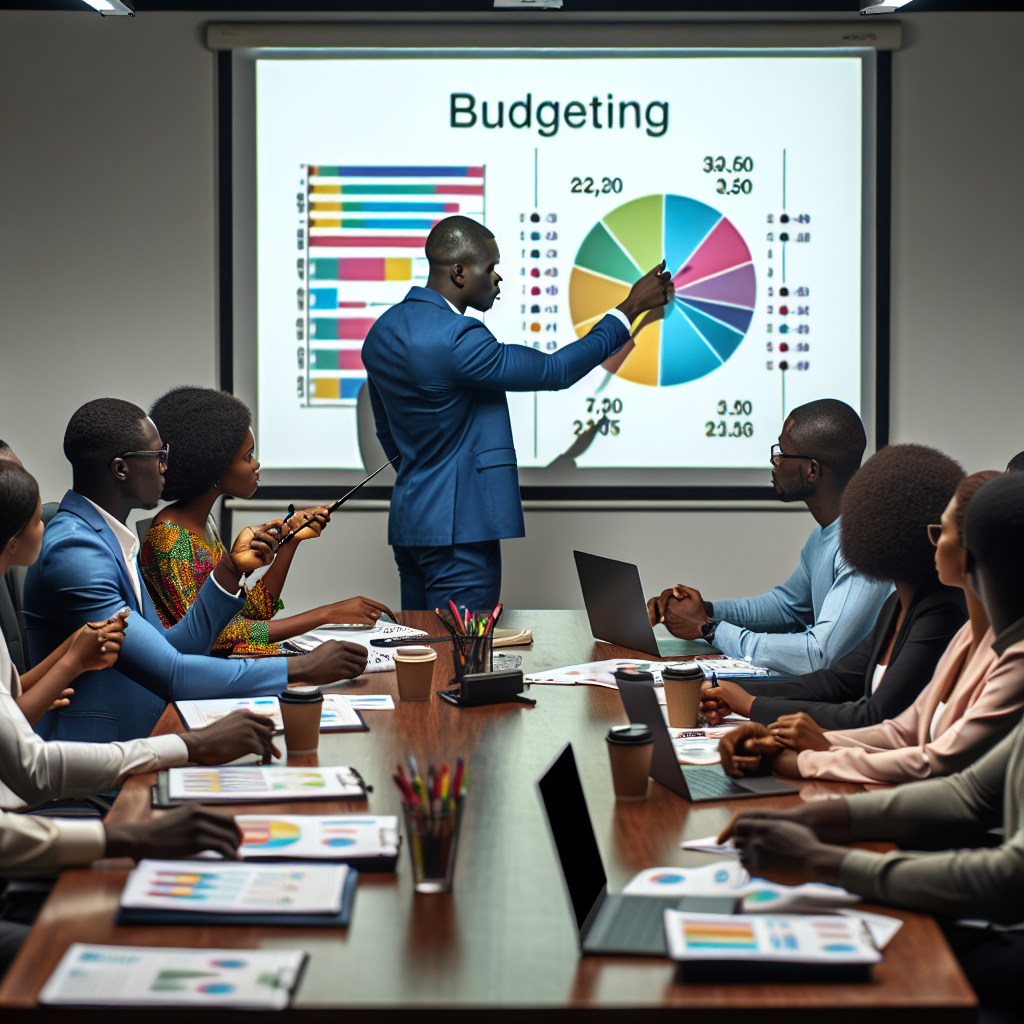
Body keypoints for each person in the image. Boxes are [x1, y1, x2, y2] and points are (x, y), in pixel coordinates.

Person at [721, 473, 1024, 1019]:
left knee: (844, 978)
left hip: (1003, 924)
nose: (936, 541)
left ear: (981, 565)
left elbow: (1004, 871)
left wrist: (823, 857)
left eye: (946, 531)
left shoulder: (1007, 649)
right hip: (977, 886)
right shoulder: (969, 633)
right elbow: (962, 786)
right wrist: (817, 819)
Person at [362, 215, 673, 610]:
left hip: (411, 526)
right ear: (459, 272)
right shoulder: (459, 338)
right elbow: (555, 371)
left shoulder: (381, 333)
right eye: (490, 268)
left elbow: (387, 435)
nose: (497, 279)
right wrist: (630, 308)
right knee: (464, 659)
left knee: (423, 653)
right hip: (463, 533)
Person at [23, 400, 368, 742]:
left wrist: (230, 569)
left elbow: (177, 647)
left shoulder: (109, 538)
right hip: (101, 754)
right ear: (121, 469)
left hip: (149, 732)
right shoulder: (76, 552)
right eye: (158, 457)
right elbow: (173, 672)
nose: (165, 468)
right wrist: (302, 667)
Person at [718, 470, 1023, 785]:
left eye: (940, 531)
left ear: (971, 552)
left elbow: (930, 757)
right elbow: (900, 729)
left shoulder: (948, 615)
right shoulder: (949, 628)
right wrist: (787, 732)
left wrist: (808, 753)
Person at [701, 444, 967, 730]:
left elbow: (874, 715)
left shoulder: (942, 611)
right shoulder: (897, 605)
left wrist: (753, 706)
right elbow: (836, 681)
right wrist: (735, 693)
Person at [142, 386, 396, 656]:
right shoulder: (169, 539)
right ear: (213, 466)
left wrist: (291, 540)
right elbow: (217, 637)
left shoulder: (205, 524)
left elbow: (252, 614)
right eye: (247, 456)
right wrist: (327, 614)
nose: (256, 464)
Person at [648, 399, 893, 675]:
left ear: (811, 470)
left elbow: (819, 655)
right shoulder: (825, 534)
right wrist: (704, 610)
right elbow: (787, 608)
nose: (774, 461)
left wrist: (708, 628)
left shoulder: (864, 549)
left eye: (783, 452)